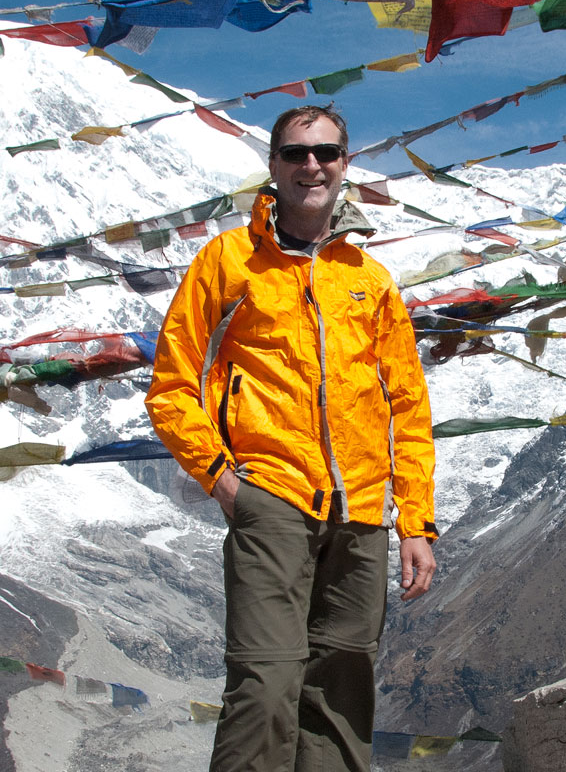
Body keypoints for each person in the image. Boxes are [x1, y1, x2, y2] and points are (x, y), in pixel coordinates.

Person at [146, 104, 438, 772]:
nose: (313, 166)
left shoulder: (369, 280)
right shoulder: (228, 262)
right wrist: (222, 478)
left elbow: (408, 404)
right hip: (271, 496)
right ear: (273, 166)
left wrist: (414, 519)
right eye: (296, 154)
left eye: (327, 153)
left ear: (346, 165)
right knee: (265, 686)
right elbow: (170, 385)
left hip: (362, 513)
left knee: (340, 695)